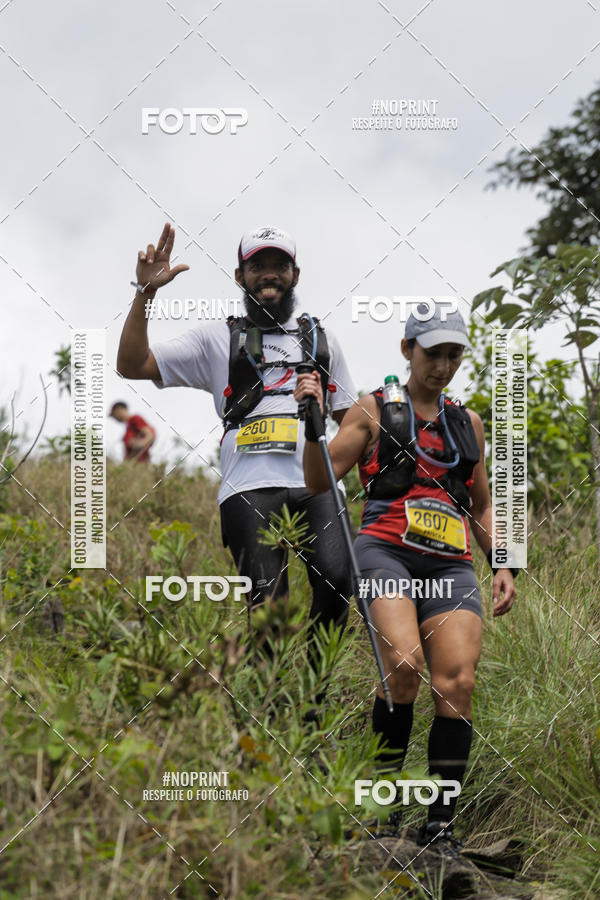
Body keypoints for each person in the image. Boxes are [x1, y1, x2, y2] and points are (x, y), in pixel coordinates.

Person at [297, 302, 518, 855]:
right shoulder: (373, 410)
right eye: (432, 353)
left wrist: (504, 561)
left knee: (457, 684)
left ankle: (440, 826)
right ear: (407, 350)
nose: (442, 365)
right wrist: (312, 420)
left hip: (450, 563)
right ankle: (383, 811)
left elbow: (483, 505)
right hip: (385, 551)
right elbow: (318, 475)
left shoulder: (467, 423)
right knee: (401, 667)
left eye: (453, 355)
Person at [116, 222, 357, 707]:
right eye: (257, 267)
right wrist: (145, 293)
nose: (269, 275)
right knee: (270, 610)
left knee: (338, 585)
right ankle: (266, 719)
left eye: (279, 266)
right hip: (249, 490)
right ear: (240, 275)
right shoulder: (215, 338)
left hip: (317, 484)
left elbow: (351, 424)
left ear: (295, 274)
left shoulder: (321, 341)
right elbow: (132, 364)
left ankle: (310, 702)